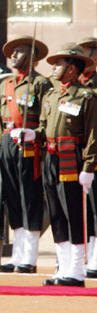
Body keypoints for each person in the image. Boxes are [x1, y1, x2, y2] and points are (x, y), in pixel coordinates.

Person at [37, 43, 96, 287]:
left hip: (72, 159)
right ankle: (63, 267)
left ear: (72, 68)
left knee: (74, 213)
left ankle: (76, 270)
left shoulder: (87, 97)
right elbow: (43, 126)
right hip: (50, 158)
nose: (53, 67)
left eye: (59, 63)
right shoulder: (51, 96)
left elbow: (94, 135)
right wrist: (32, 135)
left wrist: (88, 168)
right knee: (56, 214)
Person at [0, 35, 51, 274]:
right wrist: (1, 150)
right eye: (12, 51)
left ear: (32, 56)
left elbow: (48, 120)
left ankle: (29, 257)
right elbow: (0, 123)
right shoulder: (4, 85)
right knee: (13, 201)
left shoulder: (41, 84)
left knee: (30, 200)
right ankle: (17, 256)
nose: (12, 56)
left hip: (30, 145)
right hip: (9, 143)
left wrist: (36, 135)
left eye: (18, 51)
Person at [76, 37, 97, 278]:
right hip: (77, 154)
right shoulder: (76, 85)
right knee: (85, 210)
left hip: (94, 153)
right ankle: (88, 255)